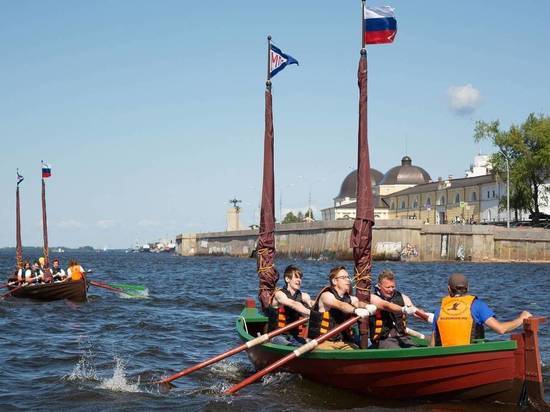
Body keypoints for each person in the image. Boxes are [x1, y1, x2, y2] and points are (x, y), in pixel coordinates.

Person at [308, 266, 417, 350]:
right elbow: (340, 305)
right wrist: (355, 310)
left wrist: (367, 306)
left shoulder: (350, 298)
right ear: (334, 281)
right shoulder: (326, 295)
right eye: (343, 277)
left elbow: (358, 302)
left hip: (344, 342)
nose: (348, 280)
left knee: (358, 353)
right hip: (323, 342)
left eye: (348, 277)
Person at [431, 273, 533, 347]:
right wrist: (521, 318)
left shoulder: (440, 310)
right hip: (470, 355)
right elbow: (501, 329)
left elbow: (432, 345)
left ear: (449, 289)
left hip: (445, 356)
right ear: (468, 288)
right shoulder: (477, 306)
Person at [369, 269, 422, 349]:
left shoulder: (403, 297)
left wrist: (429, 317)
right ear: (379, 286)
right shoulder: (373, 298)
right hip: (384, 339)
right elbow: (386, 305)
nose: (391, 290)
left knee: (415, 349)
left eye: (393, 287)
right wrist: (403, 309)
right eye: (388, 287)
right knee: (396, 349)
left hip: (402, 337)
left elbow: (414, 311)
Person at [266, 265, 314, 345]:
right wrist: (311, 313)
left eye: (300, 278)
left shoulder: (303, 296)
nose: (299, 280)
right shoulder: (279, 294)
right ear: (287, 279)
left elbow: (311, 303)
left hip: (294, 336)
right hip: (276, 336)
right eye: (296, 277)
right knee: (290, 346)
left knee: (309, 346)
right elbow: (293, 304)